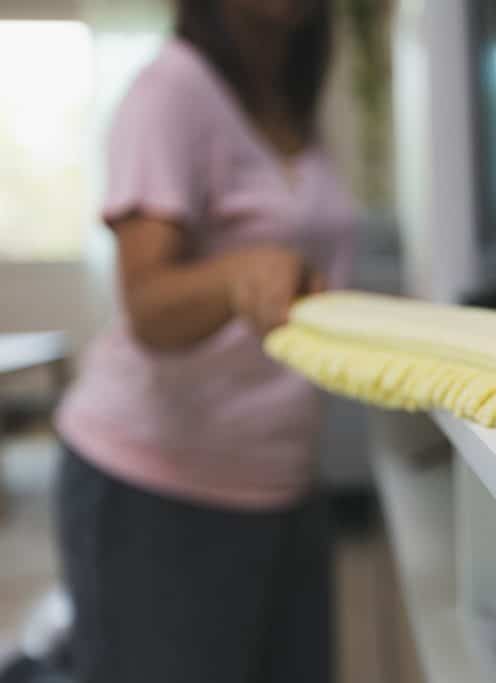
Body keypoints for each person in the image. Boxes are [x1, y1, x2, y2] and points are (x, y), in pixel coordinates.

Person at [54, 1, 355, 681]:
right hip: (158, 482)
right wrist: (237, 274)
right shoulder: (172, 89)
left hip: (285, 478)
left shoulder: (293, 104)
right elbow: (148, 305)